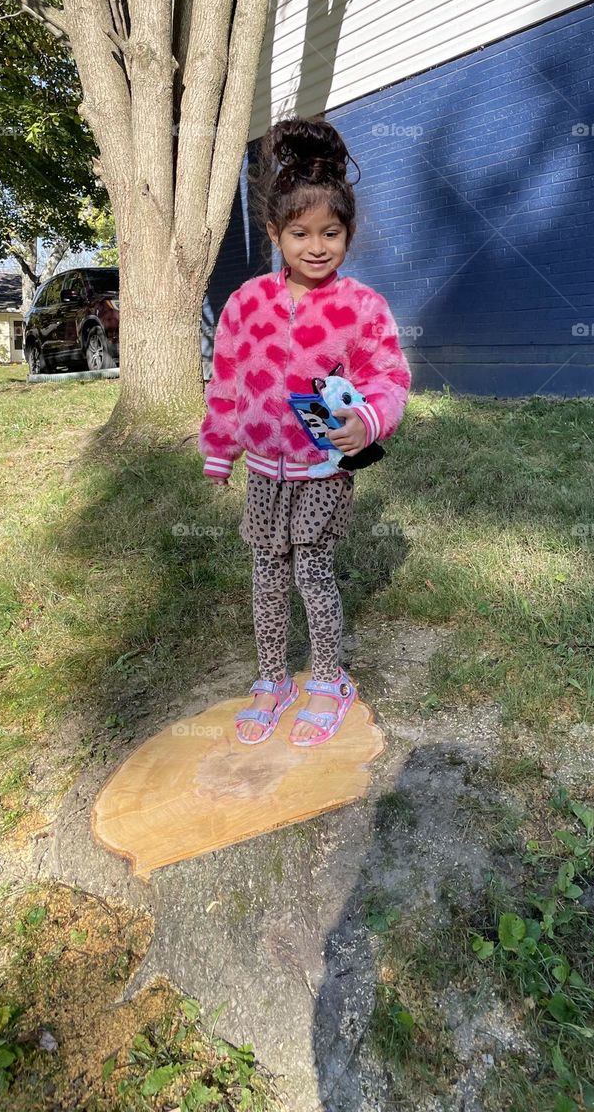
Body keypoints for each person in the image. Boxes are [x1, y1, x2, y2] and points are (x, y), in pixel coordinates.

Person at [198, 117, 412, 746]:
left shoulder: (362, 307)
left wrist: (367, 420)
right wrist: (220, 450)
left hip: (325, 469)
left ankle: (327, 678)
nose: (316, 247)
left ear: (347, 234)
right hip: (263, 468)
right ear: (274, 233)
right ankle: (273, 678)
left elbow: (387, 375)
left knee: (312, 567)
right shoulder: (246, 304)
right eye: (299, 233)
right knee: (266, 568)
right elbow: (227, 381)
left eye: (331, 233)